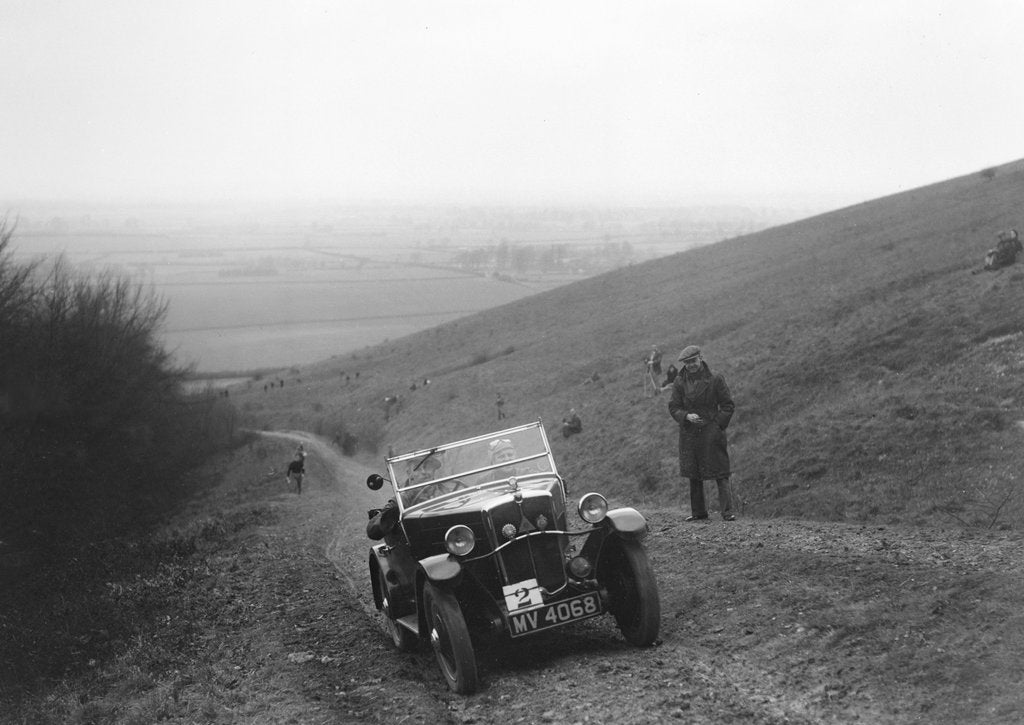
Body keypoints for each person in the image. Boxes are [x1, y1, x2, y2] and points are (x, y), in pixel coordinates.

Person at [668, 345, 736, 521]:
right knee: (694, 474)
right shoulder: (679, 382)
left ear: (701, 358)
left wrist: (717, 426)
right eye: (687, 362)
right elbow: (674, 407)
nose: (691, 365)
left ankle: (727, 512)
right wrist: (686, 416)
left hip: (711, 432)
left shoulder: (715, 378)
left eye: (693, 361)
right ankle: (698, 513)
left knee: (721, 472)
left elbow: (727, 405)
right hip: (690, 433)